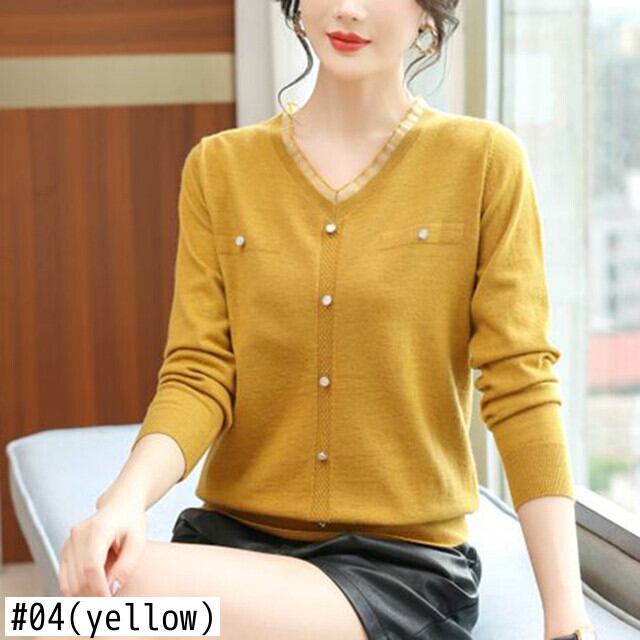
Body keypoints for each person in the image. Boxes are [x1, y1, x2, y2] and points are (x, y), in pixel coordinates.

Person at [42, 1, 597, 639]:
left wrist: (565, 614)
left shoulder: (484, 163)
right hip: (231, 547)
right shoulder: (219, 168)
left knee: (93, 608)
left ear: (428, 14)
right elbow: (199, 373)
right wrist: (122, 503)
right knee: (78, 598)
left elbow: (521, 384)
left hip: (395, 569)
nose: (347, 9)